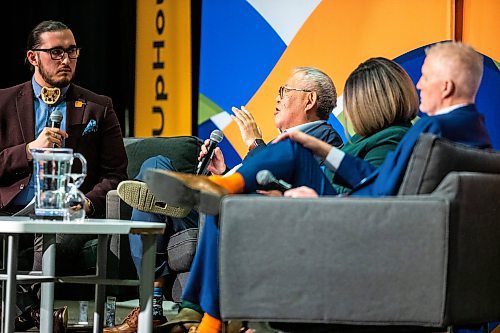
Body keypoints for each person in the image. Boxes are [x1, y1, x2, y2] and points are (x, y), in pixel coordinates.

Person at [145, 42, 491, 333]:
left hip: (354, 226)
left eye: (426, 78)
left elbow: (381, 195)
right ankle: (223, 194)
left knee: (245, 194)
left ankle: (224, 195)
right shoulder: (471, 133)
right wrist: (325, 153)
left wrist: (323, 204)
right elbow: (383, 185)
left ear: (445, 87)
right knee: (284, 159)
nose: (419, 85)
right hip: (371, 220)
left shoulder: (428, 131)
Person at [106, 67, 343, 333]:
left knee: (165, 190)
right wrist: (224, 170)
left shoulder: (323, 141)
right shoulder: (284, 140)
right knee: (155, 169)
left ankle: (151, 307)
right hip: (233, 206)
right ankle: (154, 305)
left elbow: (283, 184)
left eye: (284, 91)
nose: (277, 99)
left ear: (309, 100)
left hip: (252, 217)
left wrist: (255, 144)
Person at [0, 20, 128, 332]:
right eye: (56, 52)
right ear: (33, 57)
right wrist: (29, 149)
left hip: (67, 213)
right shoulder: (3, 102)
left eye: (71, 51)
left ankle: (30, 316)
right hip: (11, 209)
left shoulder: (98, 107)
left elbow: (115, 173)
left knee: (50, 237)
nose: (66, 60)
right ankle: (34, 314)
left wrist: (85, 202)